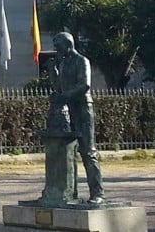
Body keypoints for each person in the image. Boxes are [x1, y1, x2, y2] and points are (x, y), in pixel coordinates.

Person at [49, 32, 104, 204]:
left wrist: (65, 96)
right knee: (69, 151)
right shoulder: (64, 63)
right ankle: (69, 192)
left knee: (88, 151)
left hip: (83, 107)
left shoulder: (81, 61)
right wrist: (53, 71)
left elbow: (84, 85)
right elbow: (59, 87)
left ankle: (98, 193)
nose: (56, 51)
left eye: (58, 47)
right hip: (70, 107)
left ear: (68, 45)